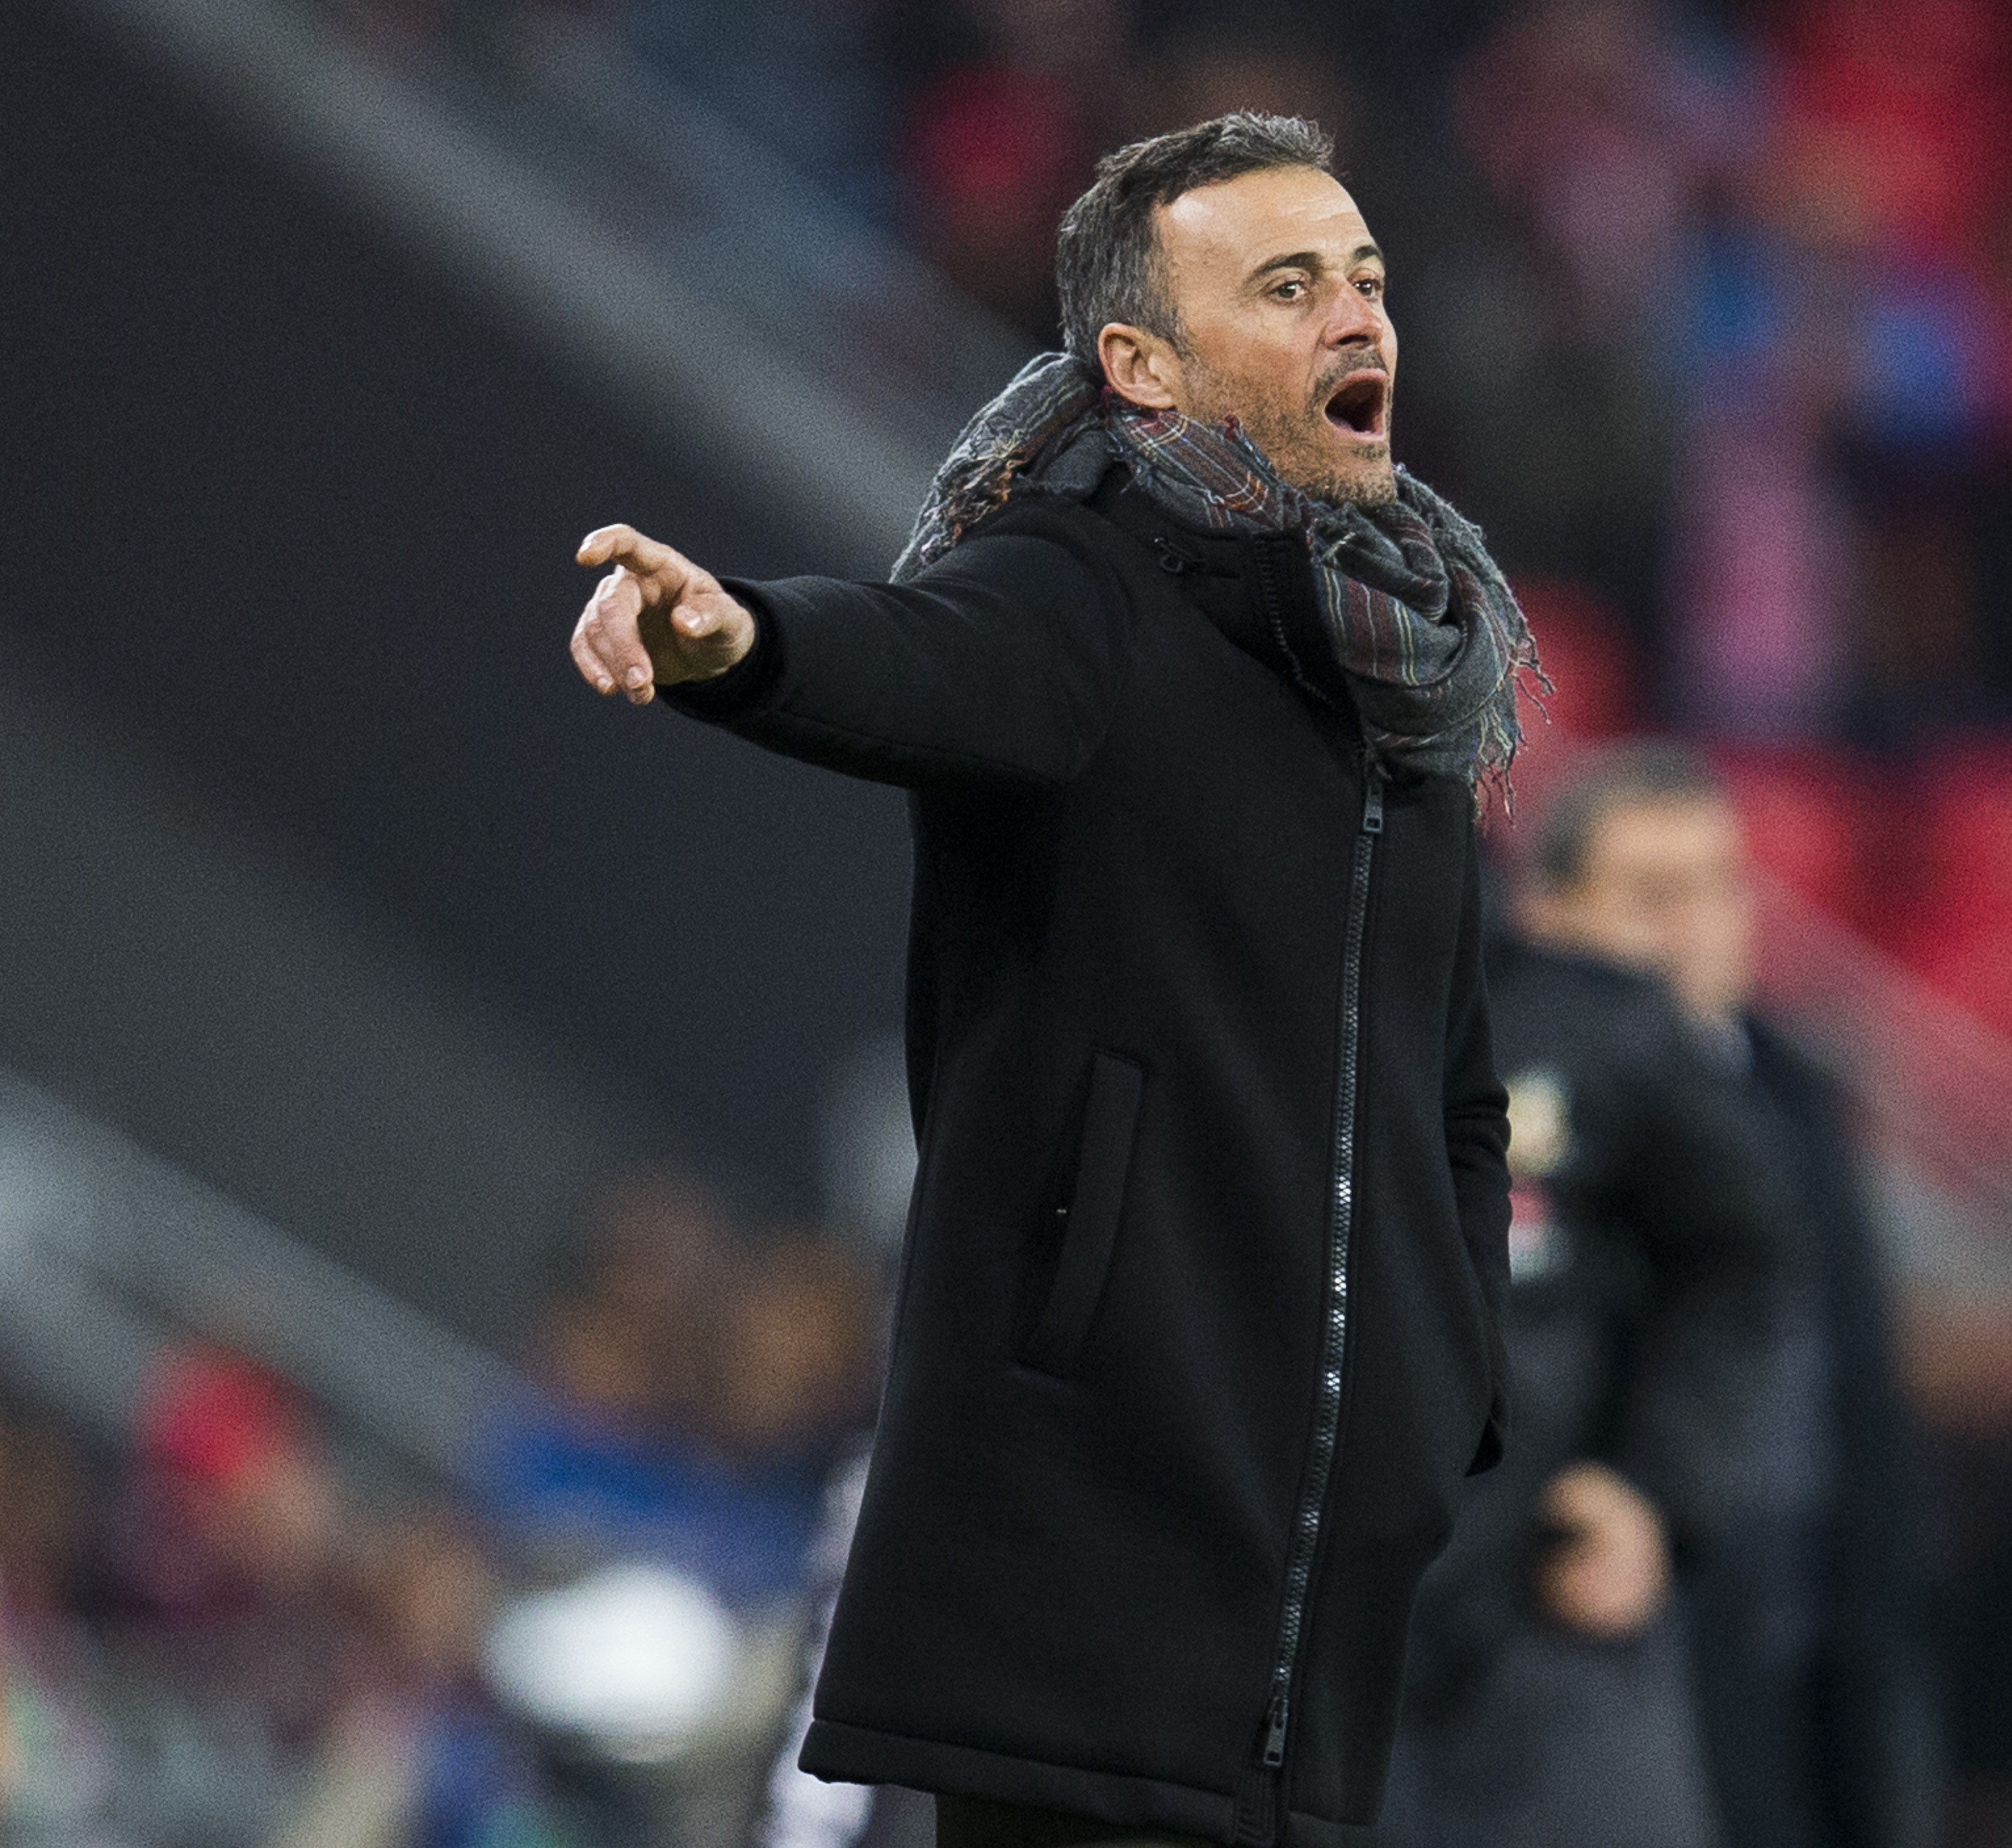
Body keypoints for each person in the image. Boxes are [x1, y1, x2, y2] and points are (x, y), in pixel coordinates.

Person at [564, 113, 1532, 1848]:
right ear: (1143, 366)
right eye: (1291, 285)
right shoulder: (1081, 583)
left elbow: (1454, 1091)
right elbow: (913, 660)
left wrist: (1440, 1376)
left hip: (1311, 1604)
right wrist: (741, 643)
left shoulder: (1403, 688)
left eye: (1368, 280)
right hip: (1087, 1565)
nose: (1359, 319)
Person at [1512, 742, 1939, 1848]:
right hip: (1589, 1643)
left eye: (1718, 885)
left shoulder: (1796, 1091)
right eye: (1652, 893)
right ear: (1550, 913)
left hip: (1799, 1642)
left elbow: (1853, 1380)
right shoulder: (1512, 1106)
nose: (1692, 924)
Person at [1374, 910, 1785, 1848]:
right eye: (1644, 890)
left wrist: (1653, 1488)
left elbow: (1738, 1256)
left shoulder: (1602, 1024)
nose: (1669, 931)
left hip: (1539, 1606)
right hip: (1323, 1625)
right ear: (1561, 891)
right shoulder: (1292, 985)